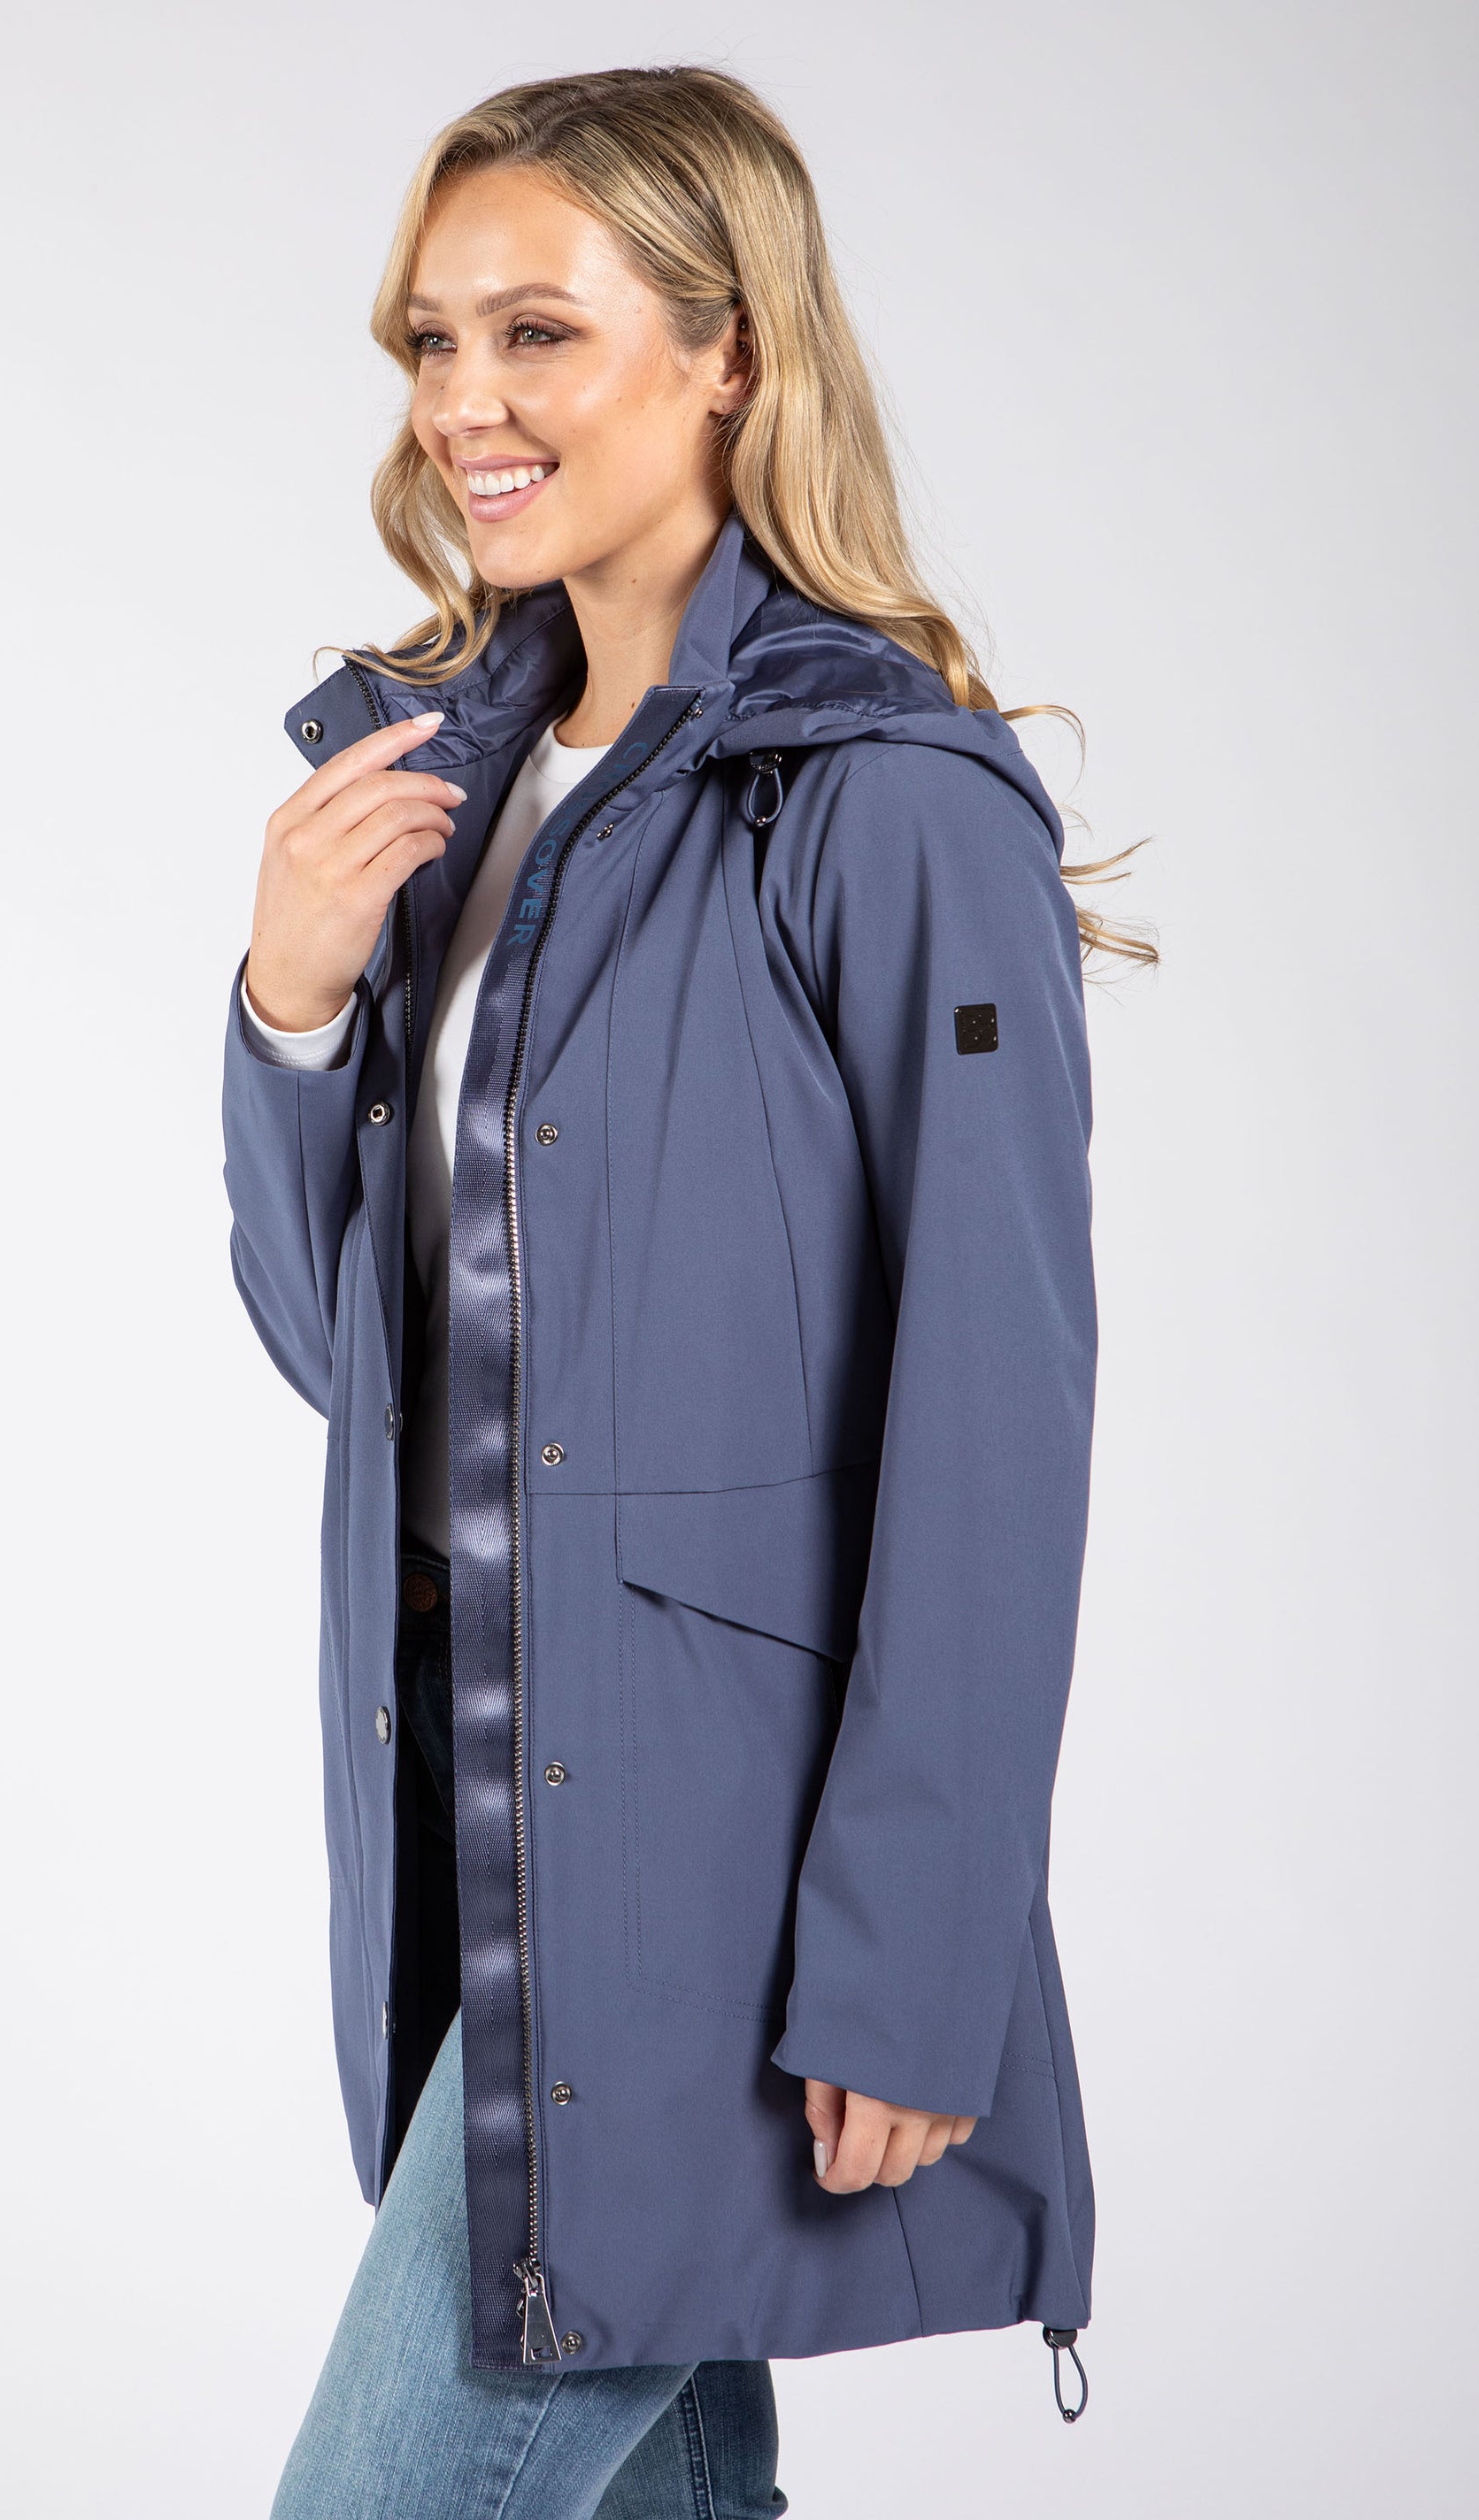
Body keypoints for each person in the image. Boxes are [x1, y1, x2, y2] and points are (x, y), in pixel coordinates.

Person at [222, 64, 1139, 2519]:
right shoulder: (434, 797)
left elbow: (996, 1415)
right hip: (472, 1793)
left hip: (708, 1863)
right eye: (432, 341)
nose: (467, 403)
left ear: (730, 349)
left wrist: (917, 1951)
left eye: (538, 331)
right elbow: (346, 1365)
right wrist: (290, 1007)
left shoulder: (887, 801)